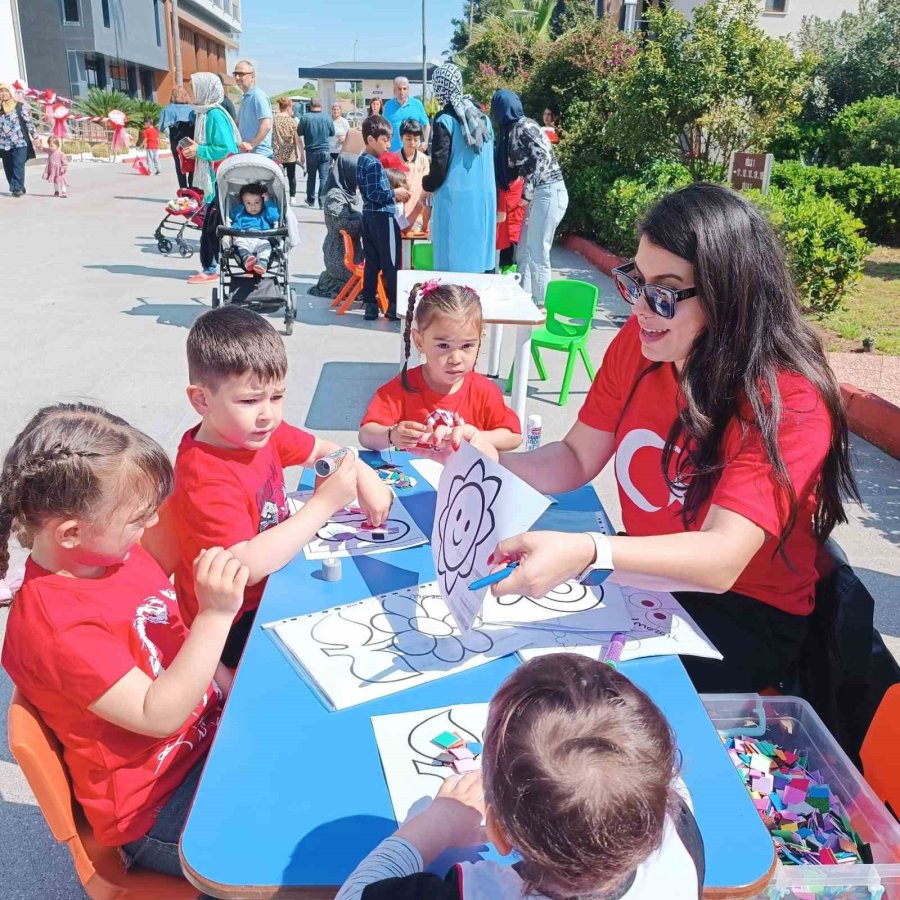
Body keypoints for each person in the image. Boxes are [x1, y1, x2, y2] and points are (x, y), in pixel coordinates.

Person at [476, 183, 860, 695]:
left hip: (740, 616)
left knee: (559, 695)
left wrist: (592, 551)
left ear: (730, 296)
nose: (640, 309)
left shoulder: (787, 402)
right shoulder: (641, 347)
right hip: (652, 580)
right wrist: (479, 464)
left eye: (664, 292)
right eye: (636, 283)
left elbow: (721, 560)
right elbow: (573, 456)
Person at [0, 402, 247, 876]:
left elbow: (170, 635)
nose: (151, 525)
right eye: (138, 517)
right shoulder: (56, 625)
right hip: (156, 807)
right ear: (72, 533)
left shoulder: (116, 556)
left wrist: (228, 684)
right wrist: (216, 615)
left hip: (208, 742)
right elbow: (159, 715)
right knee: (300, 842)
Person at [335, 655, 705, 899]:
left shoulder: (476, 894)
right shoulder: (678, 831)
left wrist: (436, 825)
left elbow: (353, 894)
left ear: (497, 831)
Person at [159, 307, 393, 666]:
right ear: (201, 400)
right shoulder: (205, 475)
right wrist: (324, 504)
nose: (268, 413)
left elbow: (324, 450)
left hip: (276, 582)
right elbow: (244, 567)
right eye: (249, 401)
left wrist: (365, 474)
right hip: (234, 623)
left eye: (277, 396)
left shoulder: (254, 432)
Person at [359, 281, 521, 453]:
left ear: (480, 339)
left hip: (466, 478)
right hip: (414, 477)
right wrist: (391, 435)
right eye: (443, 346)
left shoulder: (483, 390)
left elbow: (514, 435)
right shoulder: (403, 387)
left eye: (467, 346)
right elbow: (366, 435)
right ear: (420, 341)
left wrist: (476, 436)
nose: (456, 358)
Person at [492, 89, 568, 307]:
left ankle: (541, 303)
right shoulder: (509, 131)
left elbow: (542, 156)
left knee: (538, 250)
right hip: (539, 193)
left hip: (549, 190)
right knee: (524, 248)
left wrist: (528, 191)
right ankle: (522, 298)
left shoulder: (525, 126)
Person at [423, 63, 496, 274]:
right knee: (479, 259)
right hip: (484, 198)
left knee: (453, 262)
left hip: (456, 201)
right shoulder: (482, 118)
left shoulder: (445, 120)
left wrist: (427, 184)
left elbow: (439, 165)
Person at [180, 72, 241, 285]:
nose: (190, 92)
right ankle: (211, 266)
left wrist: (199, 150)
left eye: (194, 88)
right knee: (211, 225)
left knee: (211, 226)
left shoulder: (214, 115)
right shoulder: (205, 113)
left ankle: (211, 268)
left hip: (219, 178)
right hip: (216, 178)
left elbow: (225, 149)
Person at [357, 115, 410, 321]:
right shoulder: (375, 164)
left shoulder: (362, 160)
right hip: (383, 217)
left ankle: (370, 303)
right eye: (384, 140)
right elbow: (376, 194)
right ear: (371, 140)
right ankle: (394, 305)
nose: (388, 145)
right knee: (391, 263)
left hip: (368, 217)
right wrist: (395, 193)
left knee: (372, 263)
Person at [308, 152, 363, 299]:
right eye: (358, 173)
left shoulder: (349, 193)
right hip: (340, 255)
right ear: (348, 172)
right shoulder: (335, 197)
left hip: (351, 251)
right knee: (367, 282)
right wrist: (367, 221)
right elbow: (343, 226)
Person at [230, 182, 280, 275]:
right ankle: (247, 258)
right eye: (248, 203)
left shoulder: (264, 214)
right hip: (245, 239)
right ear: (243, 203)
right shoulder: (241, 215)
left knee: (266, 246)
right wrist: (233, 235)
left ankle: (262, 262)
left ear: (262, 201)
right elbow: (234, 226)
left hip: (261, 239)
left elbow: (274, 216)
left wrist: (268, 202)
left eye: (257, 202)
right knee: (240, 242)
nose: (253, 206)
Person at [0, 82, 37, 197]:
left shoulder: (19, 106)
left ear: (10, 93)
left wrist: (35, 136)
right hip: (4, 144)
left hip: (20, 142)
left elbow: (28, 122)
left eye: (6, 91)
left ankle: (17, 188)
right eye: (1, 91)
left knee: (18, 165)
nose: (4, 93)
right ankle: (18, 185)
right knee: (8, 167)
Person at [297, 98, 334, 208]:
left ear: (310, 105)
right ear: (320, 105)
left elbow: (299, 132)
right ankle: (322, 202)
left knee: (311, 177)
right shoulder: (327, 117)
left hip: (311, 151)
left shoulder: (305, 117)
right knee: (324, 177)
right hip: (325, 151)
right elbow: (332, 132)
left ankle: (310, 199)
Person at [157, 85, 195, 189]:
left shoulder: (168, 109)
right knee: (193, 165)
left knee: (179, 165)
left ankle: (183, 191)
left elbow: (162, 128)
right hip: (191, 141)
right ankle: (192, 189)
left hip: (176, 142)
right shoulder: (192, 109)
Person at [233, 59, 273, 157]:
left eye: (241, 74)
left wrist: (252, 144)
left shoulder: (258, 96)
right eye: (235, 74)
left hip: (259, 154)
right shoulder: (246, 98)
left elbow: (266, 125)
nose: (237, 77)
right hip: (247, 153)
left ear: (252, 76)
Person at [398, 118, 431, 232]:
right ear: (401, 137)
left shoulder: (423, 159)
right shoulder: (394, 158)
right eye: (408, 139)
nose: (412, 143)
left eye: (416, 139)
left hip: (418, 213)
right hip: (399, 213)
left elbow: (426, 188)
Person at [383, 76, 430, 152]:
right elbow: (383, 129)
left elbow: (426, 124)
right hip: (394, 154)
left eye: (404, 89)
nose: (402, 92)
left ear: (408, 90)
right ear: (394, 90)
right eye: (399, 89)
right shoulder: (388, 106)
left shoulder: (417, 104)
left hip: (414, 154)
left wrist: (426, 142)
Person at [272, 97, 301, 204]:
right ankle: (292, 196)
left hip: (277, 151)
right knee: (291, 175)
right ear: (288, 107)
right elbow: (296, 139)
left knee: (278, 176)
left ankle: (279, 195)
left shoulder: (274, 119)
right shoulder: (292, 121)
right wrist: (302, 154)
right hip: (290, 152)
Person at [497, 174, 525, 270]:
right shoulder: (516, 184)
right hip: (506, 235)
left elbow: (506, 206)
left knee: (508, 269)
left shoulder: (517, 184)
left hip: (511, 237)